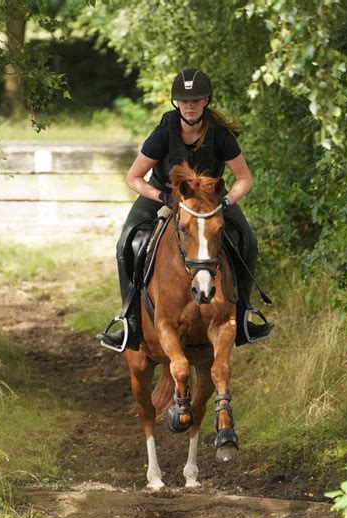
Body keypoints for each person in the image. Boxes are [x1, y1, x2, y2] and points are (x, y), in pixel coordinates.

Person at [99, 68, 271, 352]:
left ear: (206, 101)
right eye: (184, 100)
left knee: (248, 241)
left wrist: (226, 202)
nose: (190, 106)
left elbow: (244, 179)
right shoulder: (164, 133)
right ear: (176, 103)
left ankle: (242, 317)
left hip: (209, 200)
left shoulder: (220, 136)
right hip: (163, 194)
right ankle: (129, 320)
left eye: (196, 100)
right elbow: (133, 178)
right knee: (125, 243)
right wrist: (163, 196)